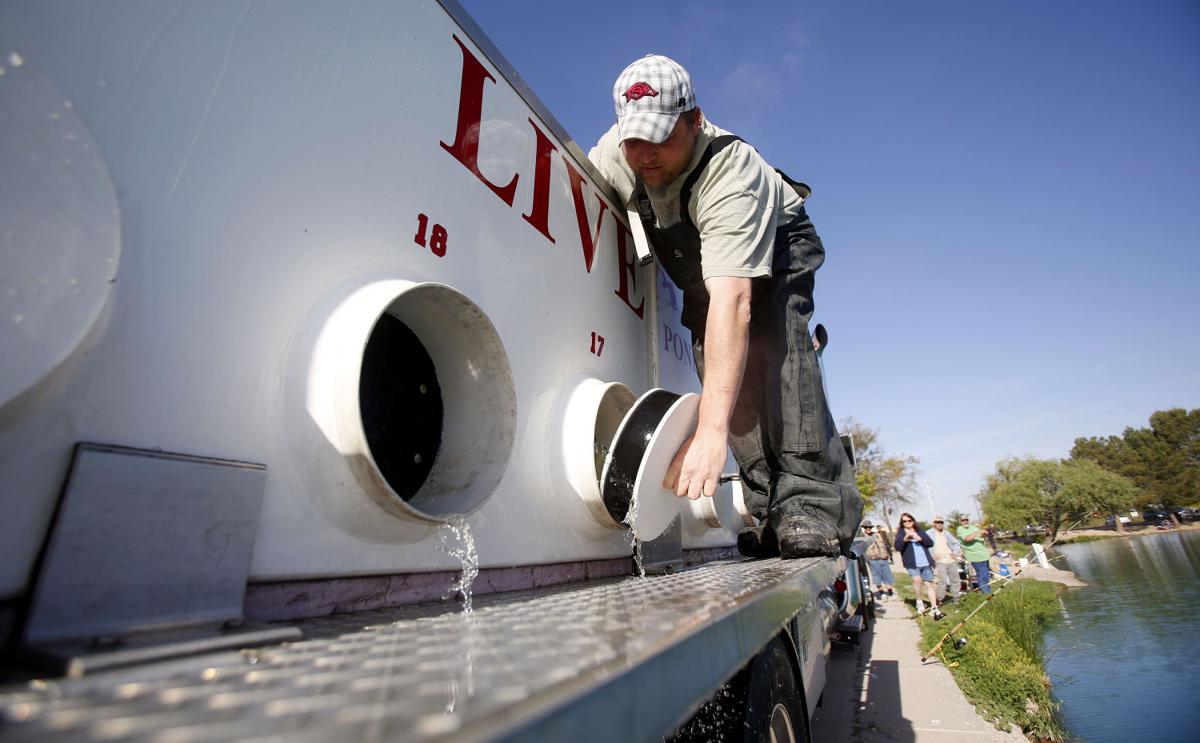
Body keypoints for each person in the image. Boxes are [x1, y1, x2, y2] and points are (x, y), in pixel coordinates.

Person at [589, 54, 863, 559]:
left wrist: (709, 434)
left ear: (694, 121)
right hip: (704, 260)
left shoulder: (730, 172)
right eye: (634, 139)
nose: (645, 154)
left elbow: (735, 301)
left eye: (661, 137)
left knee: (777, 351)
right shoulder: (615, 152)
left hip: (778, 246)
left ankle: (811, 505)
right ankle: (771, 510)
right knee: (715, 365)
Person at [893, 513, 945, 620]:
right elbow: (897, 547)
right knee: (917, 580)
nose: (907, 523)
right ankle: (919, 602)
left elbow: (930, 543)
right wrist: (905, 539)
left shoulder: (919, 531)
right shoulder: (901, 533)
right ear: (902, 523)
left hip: (925, 561)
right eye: (904, 521)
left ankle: (934, 607)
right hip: (912, 562)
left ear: (913, 521)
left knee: (929, 584)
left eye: (909, 520)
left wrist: (920, 538)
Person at [956, 515, 993, 594]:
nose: (965, 521)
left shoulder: (973, 527)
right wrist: (979, 531)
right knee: (982, 576)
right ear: (960, 521)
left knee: (986, 575)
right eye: (963, 520)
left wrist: (985, 533)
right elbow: (967, 539)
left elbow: (981, 536)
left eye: (966, 520)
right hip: (975, 556)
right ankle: (987, 593)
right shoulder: (960, 529)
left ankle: (986, 590)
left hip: (984, 555)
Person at [929, 516, 962, 603]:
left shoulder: (946, 533)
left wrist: (955, 552)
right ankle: (940, 599)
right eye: (937, 522)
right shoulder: (929, 533)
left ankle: (956, 599)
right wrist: (931, 555)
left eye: (941, 522)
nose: (939, 524)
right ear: (934, 523)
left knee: (955, 580)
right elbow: (925, 547)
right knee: (942, 581)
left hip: (950, 560)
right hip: (939, 561)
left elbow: (956, 543)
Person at [862, 522, 895, 599]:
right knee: (877, 577)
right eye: (866, 527)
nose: (868, 528)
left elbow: (884, 545)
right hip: (873, 560)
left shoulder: (877, 535)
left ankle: (890, 592)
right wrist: (868, 559)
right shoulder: (863, 537)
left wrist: (887, 555)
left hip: (883, 558)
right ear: (864, 528)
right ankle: (882, 593)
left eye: (870, 527)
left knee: (887, 576)